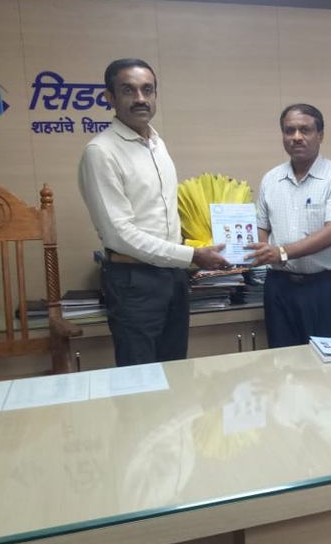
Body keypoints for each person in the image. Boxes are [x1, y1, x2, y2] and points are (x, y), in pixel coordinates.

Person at [78, 58, 228, 366]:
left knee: (176, 369)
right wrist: (191, 255)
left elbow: (163, 219)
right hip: (134, 281)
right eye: (128, 90)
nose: (140, 99)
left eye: (147, 90)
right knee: (140, 376)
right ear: (109, 97)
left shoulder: (157, 144)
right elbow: (120, 235)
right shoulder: (101, 152)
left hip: (173, 277)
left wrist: (196, 249)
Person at [245, 104, 331, 347]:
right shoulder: (271, 179)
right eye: (289, 131)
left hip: (323, 288)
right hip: (279, 286)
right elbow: (261, 226)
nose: (296, 137)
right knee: (282, 358)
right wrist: (257, 251)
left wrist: (282, 252)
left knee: (325, 358)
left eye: (305, 130)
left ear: (320, 135)